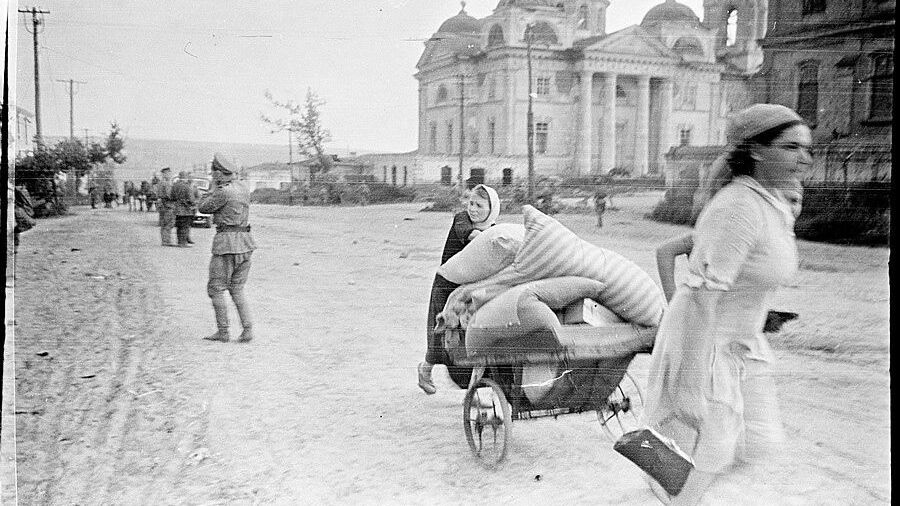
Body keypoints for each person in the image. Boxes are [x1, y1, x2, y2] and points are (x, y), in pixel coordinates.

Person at [643, 104, 811, 505]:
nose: (804, 158)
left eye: (808, 148)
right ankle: (674, 489)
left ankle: (669, 481)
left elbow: (746, 273)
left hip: (743, 344)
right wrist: (688, 385)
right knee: (705, 461)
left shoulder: (770, 203)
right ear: (756, 151)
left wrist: (759, 310)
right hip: (709, 347)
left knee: (758, 443)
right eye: (791, 148)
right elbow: (702, 297)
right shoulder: (739, 207)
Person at [417, 184, 500, 394]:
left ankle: (474, 388)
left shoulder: (493, 230)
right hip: (446, 285)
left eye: (479, 206)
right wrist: (495, 239)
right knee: (439, 335)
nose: (473, 209)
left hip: (469, 290)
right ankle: (425, 370)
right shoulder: (462, 219)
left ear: (491, 210)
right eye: (471, 203)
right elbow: (469, 234)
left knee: (469, 337)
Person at [197, 154, 256, 343]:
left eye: (214, 173)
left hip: (226, 243)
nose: (213, 176)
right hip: (245, 242)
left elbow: (203, 208)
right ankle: (247, 330)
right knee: (237, 288)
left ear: (219, 174)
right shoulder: (243, 188)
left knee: (215, 288)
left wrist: (211, 189)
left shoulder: (223, 192)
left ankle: (223, 332)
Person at [171, 171, 197, 247]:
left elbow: (172, 197)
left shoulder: (175, 185)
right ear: (186, 177)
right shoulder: (187, 186)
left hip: (177, 208)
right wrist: (193, 204)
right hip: (186, 209)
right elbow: (191, 199)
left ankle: (179, 242)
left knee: (179, 226)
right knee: (185, 226)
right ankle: (183, 243)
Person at [156, 167, 176, 246]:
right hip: (168, 205)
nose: (170, 175)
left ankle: (165, 240)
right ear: (164, 174)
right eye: (168, 173)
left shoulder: (161, 183)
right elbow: (169, 195)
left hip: (164, 205)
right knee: (168, 223)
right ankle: (166, 241)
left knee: (164, 223)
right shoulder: (166, 183)